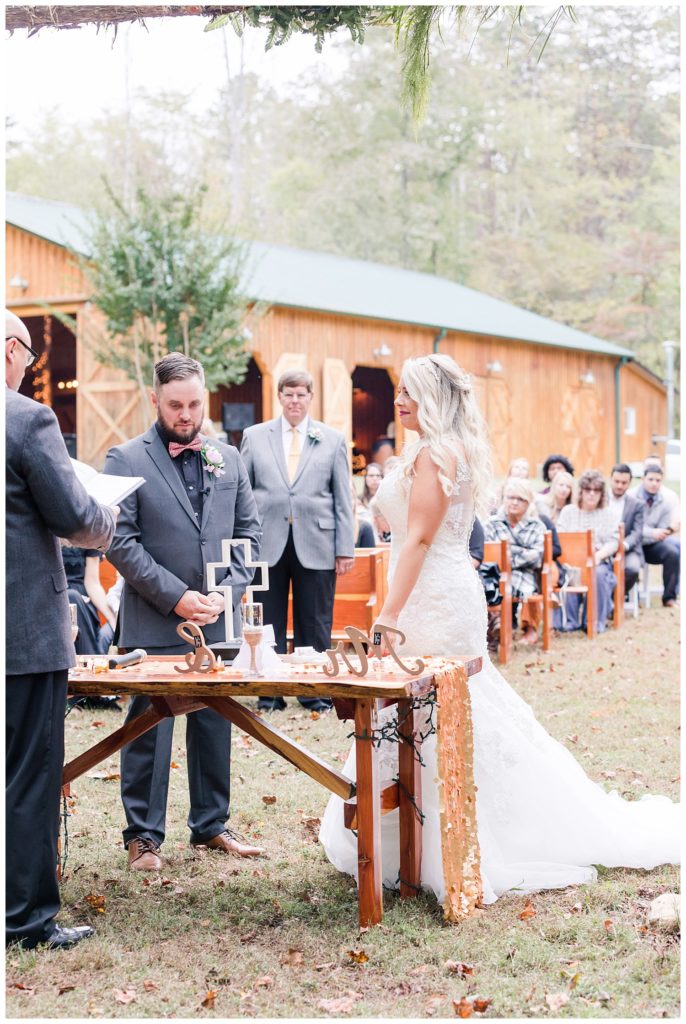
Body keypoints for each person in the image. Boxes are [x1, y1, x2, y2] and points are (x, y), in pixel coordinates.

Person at [319, 353, 678, 909]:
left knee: (439, 708)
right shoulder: (435, 449)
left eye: (409, 392)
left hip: (430, 596)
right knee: (432, 709)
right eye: (399, 392)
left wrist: (387, 615)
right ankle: (410, 836)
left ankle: (449, 840)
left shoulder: (439, 452)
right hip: (439, 587)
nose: (399, 401)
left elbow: (415, 540)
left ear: (434, 398)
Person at [104, 353, 263, 871]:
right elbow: (121, 544)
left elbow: (250, 534)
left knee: (215, 716)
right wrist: (175, 597)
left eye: (195, 403)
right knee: (150, 721)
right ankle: (143, 835)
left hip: (217, 618)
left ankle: (211, 823)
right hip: (155, 616)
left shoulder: (229, 458)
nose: (186, 414)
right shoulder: (124, 458)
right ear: (155, 399)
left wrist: (228, 591)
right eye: (175, 405)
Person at [6, 310, 117, 949]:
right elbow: (74, 515)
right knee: (27, 773)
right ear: (15, 352)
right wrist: (107, 514)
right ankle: (24, 919)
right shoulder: (26, 419)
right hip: (20, 630)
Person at [240, 370, 355, 712]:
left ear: (310, 398)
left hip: (317, 540)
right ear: (279, 396)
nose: (295, 401)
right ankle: (270, 692)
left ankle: (313, 690)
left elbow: (342, 498)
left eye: (301, 395)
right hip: (267, 539)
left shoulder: (331, 440)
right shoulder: (255, 436)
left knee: (315, 618)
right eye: (289, 394)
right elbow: (243, 493)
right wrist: (242, 542)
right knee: (266, 617)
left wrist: (344, 548)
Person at [485, 478, 546, 645]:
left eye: (521, 499)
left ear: (528, 503)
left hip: (524, 572)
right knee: (491, 587)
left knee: (528, 590)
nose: (514, 502)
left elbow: (536, 556)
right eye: (511, 497)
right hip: (497, 571)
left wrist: (509, 555)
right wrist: (520, 551)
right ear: (504, 498)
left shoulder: (536, 526)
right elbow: (490, 552)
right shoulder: (492, 523)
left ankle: (530, 629)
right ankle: (495, 627)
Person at [556, 470, 618, 633]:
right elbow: (560, 537)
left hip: (599, 561)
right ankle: (569, 621)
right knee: (567, 573)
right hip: (571, 562)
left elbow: (614, 541)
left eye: (596, 490)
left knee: (597, 574)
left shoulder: (609, 513)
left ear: (601, 494)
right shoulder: (568, 511)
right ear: (581, 492)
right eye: (588, 490)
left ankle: (594, 622)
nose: (592, 494)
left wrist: (598, 555)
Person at [61, 541, 116, 654]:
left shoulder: (88, 533)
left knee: (73, 598)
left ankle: (89, 659)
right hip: (54, 596)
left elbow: (92, 583)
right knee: (70, 596)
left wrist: (112, 618)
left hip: (83, 601)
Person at [637, 465, 680, 607]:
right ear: (643, 479)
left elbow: (663, 531)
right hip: (633, 544)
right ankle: (631, 596)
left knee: (673, 553)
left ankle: (669, 597)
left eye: (658, 480)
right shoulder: (631, 497)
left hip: (652, 545)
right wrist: (652, 533)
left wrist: (654, 534)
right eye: (650, 479)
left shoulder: (666, 502)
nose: (654, 483)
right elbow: (632, 527)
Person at [608, 464, 645, 597]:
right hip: (603, 545)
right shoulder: (601, 500)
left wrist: (623, 545)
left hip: (628, 548)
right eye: (616, 481)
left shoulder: (637, 504)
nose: (619, 486)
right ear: (610, 479)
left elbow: (637, 532)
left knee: (632, 569)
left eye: (624, 483)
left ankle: (615, 598)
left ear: (629, 483)